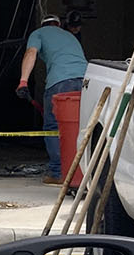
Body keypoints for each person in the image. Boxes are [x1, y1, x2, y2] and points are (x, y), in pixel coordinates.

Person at [17, 11, 88, 185]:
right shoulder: (70, 36)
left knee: (53, 127)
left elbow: (31, 53)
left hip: (60, 83)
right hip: (86, 81)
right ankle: (83, 173)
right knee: (82, 127)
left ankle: (58, 173)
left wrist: (23, 81)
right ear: (58, 24)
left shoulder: (38, 33)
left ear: (43, 24)